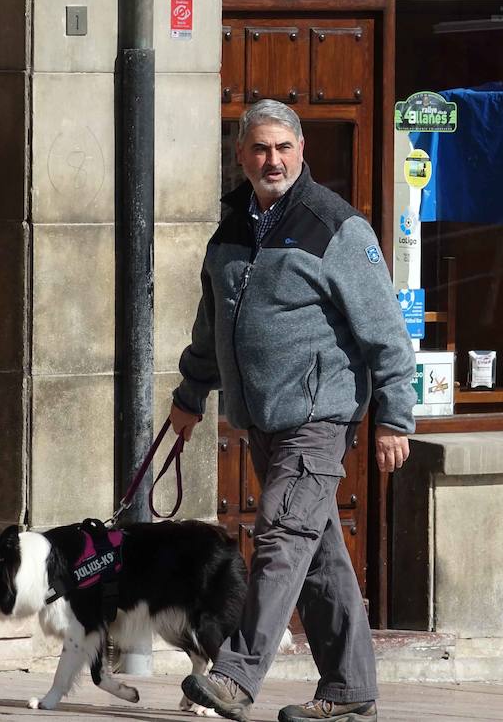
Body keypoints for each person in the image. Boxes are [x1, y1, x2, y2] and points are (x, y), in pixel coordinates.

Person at [170, 100, 416, 722]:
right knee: (318, 558)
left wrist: (394, 416)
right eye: (259, 148)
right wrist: (191, 394)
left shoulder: (334, 226)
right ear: (241, 156)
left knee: (280, 538)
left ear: (302, 151)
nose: (271, 159)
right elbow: (211, 325)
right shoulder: (229, 230)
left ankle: (237, 676)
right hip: (261, 421)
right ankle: (350, 687)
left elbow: (385, 331)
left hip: (317, 417)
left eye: (283, 147)